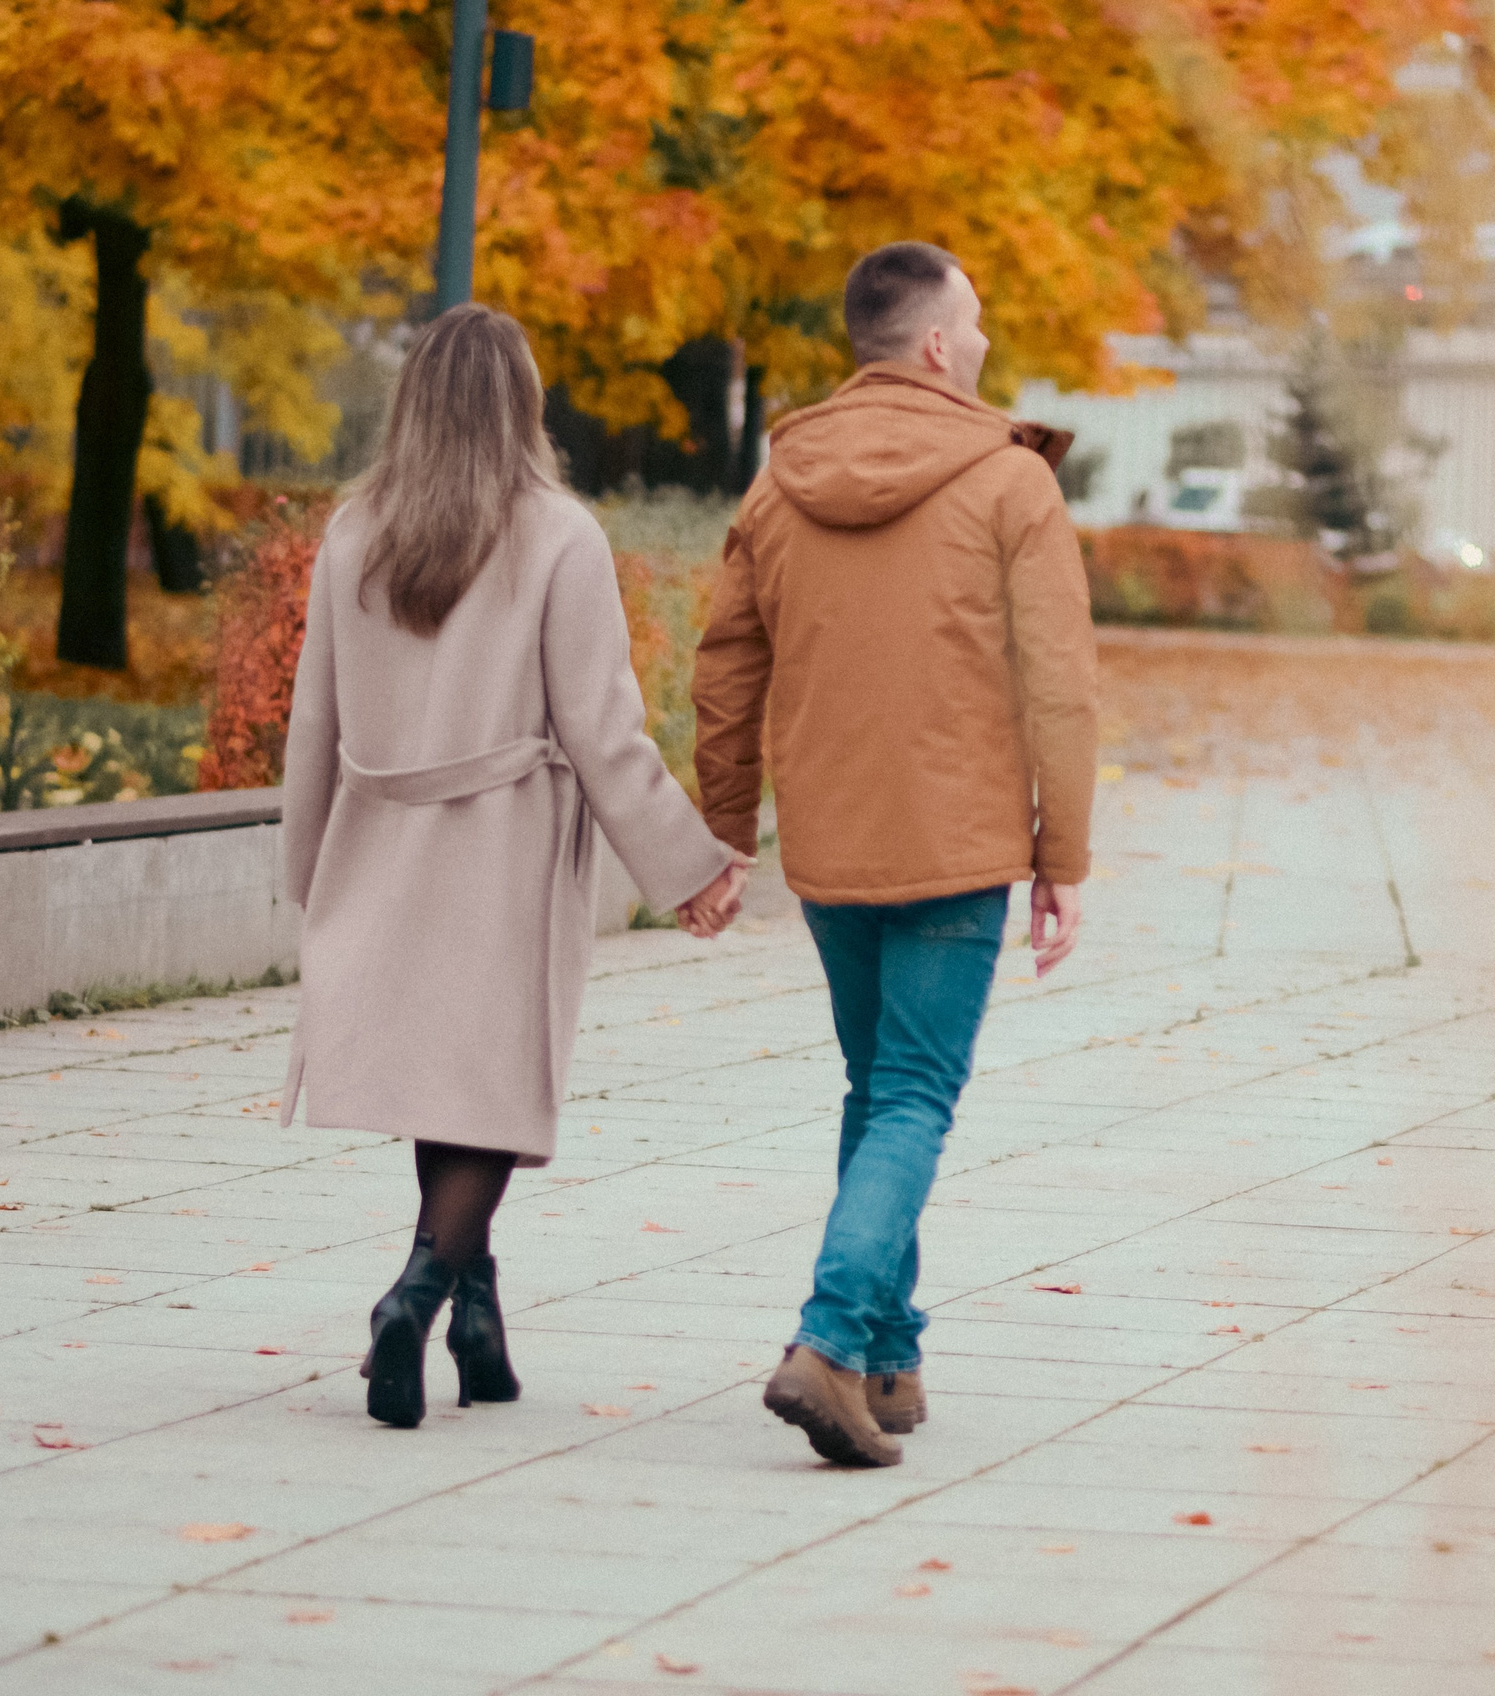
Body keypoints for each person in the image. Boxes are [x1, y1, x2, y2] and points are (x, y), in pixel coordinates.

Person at [278, 303, 751, 1430]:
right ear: (523, 404)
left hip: (383, 837)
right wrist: (686, 864)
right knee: (488, 1076)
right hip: (501, 843)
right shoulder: (558, 535)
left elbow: (312, 715)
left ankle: (476, 1316)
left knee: (449, 1076)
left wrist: (308, 870)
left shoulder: (356, 531)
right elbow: (602, 725)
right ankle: (417, 1292)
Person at [693, 243, 1098, 1467]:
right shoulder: (1008, 483)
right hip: (955, 842)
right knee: (915, 1096)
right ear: (934, 345)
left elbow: (724, 668)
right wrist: (1061, 854)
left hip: (830, 844)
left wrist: (726, 826)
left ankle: (889, 1354)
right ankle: (825, 1341)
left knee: (878, 1094)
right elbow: (1060, 684)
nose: (979, 343)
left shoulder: (777, 484)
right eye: (970, 323)